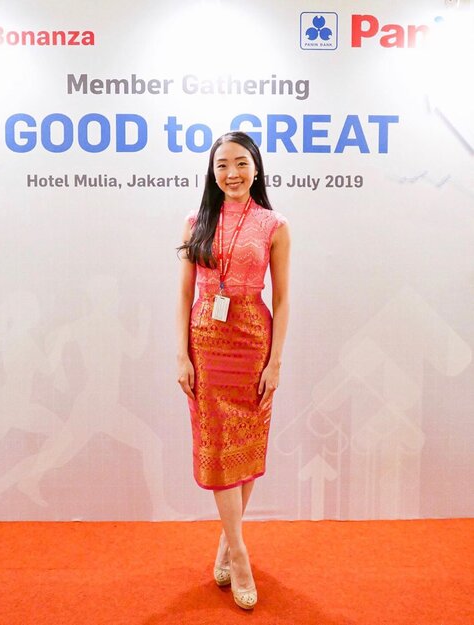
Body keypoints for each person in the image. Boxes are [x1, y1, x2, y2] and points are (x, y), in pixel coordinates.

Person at [176, 131, 290, 610]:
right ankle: (240, 553)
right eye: (222, 165)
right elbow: (185, 293)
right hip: (205, 342)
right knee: (218, 445)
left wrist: (276, 360)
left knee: (246, 442)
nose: (232, 173)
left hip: (252, 339)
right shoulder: (195, 221)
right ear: (212, 172)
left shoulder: (274, 225)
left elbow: (282, 299)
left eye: (241, 163)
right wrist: (181, 354)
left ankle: (226, 543)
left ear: (256, 168)